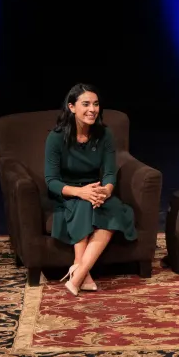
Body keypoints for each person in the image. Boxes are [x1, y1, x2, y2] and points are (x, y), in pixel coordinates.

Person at [44, 83, 137, 296]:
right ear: (71, 107)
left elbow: (110, 173)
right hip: (67, 192)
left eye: (95, 104)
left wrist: (106, 190)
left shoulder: (104, 134)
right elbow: (51, 181)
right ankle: (80, 274)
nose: (92, 109)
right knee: (83, 204)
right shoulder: (56, 138)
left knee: (113, 208)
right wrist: (80, 192)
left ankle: (78, 272)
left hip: (95, 190)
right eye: (85, 104)